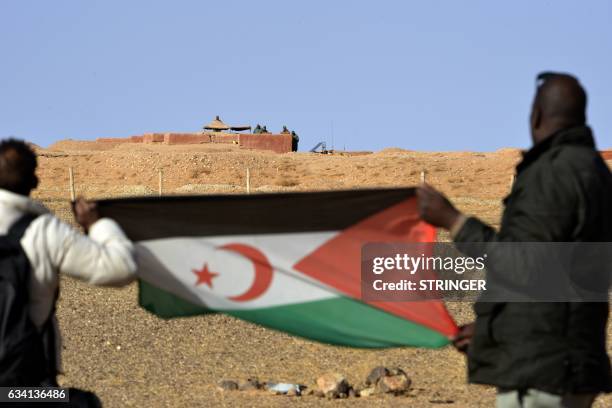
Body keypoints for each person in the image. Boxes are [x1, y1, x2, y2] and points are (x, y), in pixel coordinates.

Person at [417, 73, 612, 408]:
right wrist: (499, 328)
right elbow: (556, 277)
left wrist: (454, 220)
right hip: (572, 361)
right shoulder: (595, 172)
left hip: (541, 372)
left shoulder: (551, 173)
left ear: (536, 115)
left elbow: (526, 264)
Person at [0, 139, 137, 405]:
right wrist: (97, 225)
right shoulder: (43, 230)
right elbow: (121, 268)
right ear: (34, 182)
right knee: (82, 403)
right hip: (20, 390)